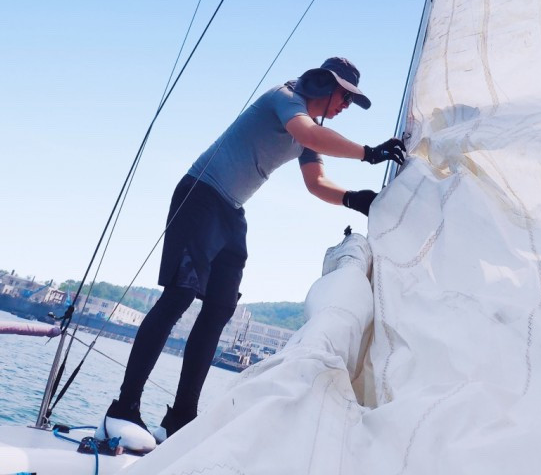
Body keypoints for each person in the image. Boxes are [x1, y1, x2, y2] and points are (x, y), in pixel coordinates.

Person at [97, 57, 405, 452]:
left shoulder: (309, 131)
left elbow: (316, 182)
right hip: (200, 195)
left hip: (231, 212)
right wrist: (369, 153)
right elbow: (309, 134)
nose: (346, 106)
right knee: (179, 297)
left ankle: (180, 419)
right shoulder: (286, 98)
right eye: (345, 97)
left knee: (219, 309)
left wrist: (354, 199)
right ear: (324, 84)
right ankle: (123, 409)